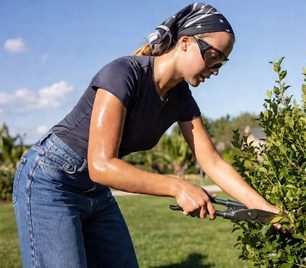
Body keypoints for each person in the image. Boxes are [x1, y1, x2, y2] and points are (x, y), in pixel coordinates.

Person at [13, 3, 281, 267]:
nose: (216, 69)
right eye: (213, 56)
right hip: (52, 179)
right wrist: (178, 187)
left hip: (96, 190)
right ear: (185, 42)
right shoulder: (124, 73)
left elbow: (212, 162)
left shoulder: (182, 100)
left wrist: (266, 209)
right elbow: (101, 165)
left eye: (222, 61)